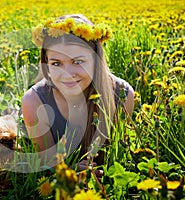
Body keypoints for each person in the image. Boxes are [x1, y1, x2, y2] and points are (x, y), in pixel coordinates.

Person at [21, 14, 134, 170]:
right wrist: (70, 171)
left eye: (78, 62)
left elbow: (120, 153)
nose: (68, 73)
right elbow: (46, 163)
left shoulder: (122, 95)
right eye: (56, 63)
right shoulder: (34, 101)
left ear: (96, 60)